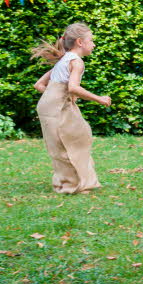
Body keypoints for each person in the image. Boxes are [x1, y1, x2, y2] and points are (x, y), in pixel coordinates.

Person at [32, 22, 111, 194]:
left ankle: (79, 181)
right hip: (56, 108)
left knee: (76, 137)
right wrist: (100, 99)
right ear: (80, 42)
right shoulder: (76, 61)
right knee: (67, 144)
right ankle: (70, 186)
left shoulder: (64, 60)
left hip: (50, 106)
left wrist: (56, 97)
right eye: (91, 40)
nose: (94, 44)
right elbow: (73, 88)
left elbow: (39, 85)